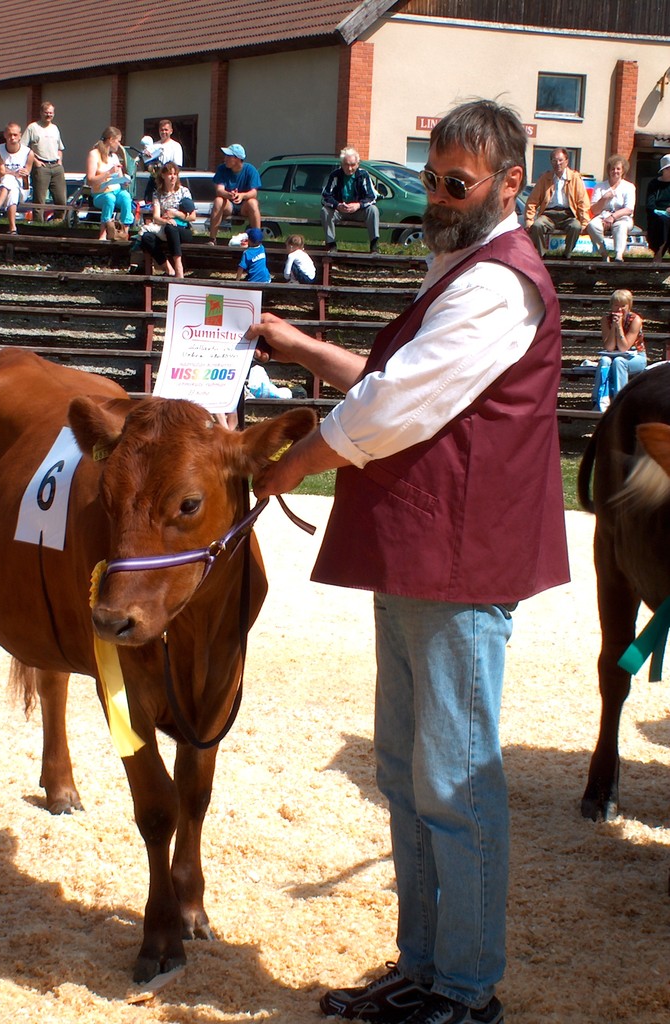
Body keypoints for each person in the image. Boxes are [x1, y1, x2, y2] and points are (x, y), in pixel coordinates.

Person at [246, 98, 569, 1024]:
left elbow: (398, 409)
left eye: (455, 182)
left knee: (455, 780)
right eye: (429, 177)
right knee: (405, 770)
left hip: (459, 562)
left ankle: (464, 990)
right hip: (424, 552)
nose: (435, 195)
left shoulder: (497, 283)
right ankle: (423, 968)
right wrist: (306, 348)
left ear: (511, 182)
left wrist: (298, 460)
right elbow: (394, 385)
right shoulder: (461, 270)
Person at [524, 147, 590, 258]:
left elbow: (582, 202)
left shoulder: (575, 178)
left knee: (576, 226)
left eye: (560, 160)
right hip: (549, 215)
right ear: (551, 162)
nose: (557, 163)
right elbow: (532, 201)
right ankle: (542, 255)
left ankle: (567, 254)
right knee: (537, 225)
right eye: (554, 161)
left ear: (566, 161)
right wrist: (529, 220)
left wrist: (584, 222)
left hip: (568, 215)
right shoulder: (545, 178)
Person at [137, 161, 195, 277]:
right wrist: (166, 220)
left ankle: (178, 266)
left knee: (171, 228)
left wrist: (176, 214)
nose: (173, 177)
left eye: (175, 174)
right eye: (170, 174)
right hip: (164, 228)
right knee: (146, 237)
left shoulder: (184, 192)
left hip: (182, 229)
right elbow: (156, 217)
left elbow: (192, 217)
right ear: (163, 175)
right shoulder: (157, 194)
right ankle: (168, 267)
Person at [591, 289, 646, 412]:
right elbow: (609, 347)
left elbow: (624, 347)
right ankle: (598, 399)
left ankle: (619, 402)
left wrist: (619, 327)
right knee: (604, 360)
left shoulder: (636, 320)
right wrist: (613, 327)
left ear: (629, 306)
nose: (619, 309)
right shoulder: (605, 320)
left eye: (623, 306)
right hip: (613, 355)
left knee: (619, 362)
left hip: (635, 357)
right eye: (616, 305)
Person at [321, 146, 380, 252]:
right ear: (341, 164)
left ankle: (374, 245)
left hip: (358, 211)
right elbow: (325, 196)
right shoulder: (335, 175)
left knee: (373, 210)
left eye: (352, 165)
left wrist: (358, 205)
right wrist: (337, 205)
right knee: (325, 211)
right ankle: (331, 244)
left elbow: (372, 196)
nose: (349, 168)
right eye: (346, 165)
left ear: (358, 164)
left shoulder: (363, 175)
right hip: (340, 210)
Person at [0, 122, 34, 233]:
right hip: (0, 188)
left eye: (15, 135)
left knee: (10, 183)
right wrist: (16, 173)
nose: (12, 138)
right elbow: (1, 171)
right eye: (9, 135)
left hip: (22, 189)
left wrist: (20, 174)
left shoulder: (28, 153)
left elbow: (26, 179)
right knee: (10, 184)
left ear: (20, 135)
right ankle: (12, 228)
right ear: (5, 135)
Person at [86, 127, 135, 242]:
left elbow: (119, 177)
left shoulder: (114, 157)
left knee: (126, 197)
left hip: (116, 190)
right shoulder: (94, 154)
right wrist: (108, 173)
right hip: (100, 193)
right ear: (111, 140)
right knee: (110, 198)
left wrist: (124, 181)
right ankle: (103, 233)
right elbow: (90, 180)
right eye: (118, 141)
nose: (119, 144)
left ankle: (124, 232)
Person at [21, 101, 66, 223]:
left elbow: (60, 147)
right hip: (41, 166)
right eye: (46, 112)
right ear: (41, 113)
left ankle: (58, 224)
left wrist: (60, 160)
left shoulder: (55, 128)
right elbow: (23, 147)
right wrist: (35, 161)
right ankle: (38, 225)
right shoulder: (33, 127)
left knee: (61, 199)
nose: (49, 115)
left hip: (56, 165)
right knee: (39, 200)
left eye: (51, 113)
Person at [586, 155, 636, 262]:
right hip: (603, 217)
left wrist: (613, 217)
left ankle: (618, 255)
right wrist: (604, 199)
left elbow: (629, 209)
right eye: (612, 168)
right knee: (592, 225)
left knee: (620, 226)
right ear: (609, 170)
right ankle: (604, 254)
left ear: (623, 171)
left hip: (622, 217)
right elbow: (594, 210)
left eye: (618, 169)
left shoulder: (629, 187)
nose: (615, 171)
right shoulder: (599, 187)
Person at [209, 144, 261, 244]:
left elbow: (254, 192)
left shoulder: (250, 170)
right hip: (229, 205)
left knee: (253, 203)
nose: (225, 159)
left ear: (237, 158)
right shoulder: (222, 169)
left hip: (244, 206)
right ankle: (212, 239)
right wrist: (229, 195)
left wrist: (242, 196)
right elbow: (219, 190)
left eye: (228, 156)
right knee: (218, 200)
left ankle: (257, 240)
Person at [645, 153, 670, 261]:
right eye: (668, 168)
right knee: (662, 222)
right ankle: (659, 252)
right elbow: (650, 206)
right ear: (663, 170)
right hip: (657, 216)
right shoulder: (654, 184)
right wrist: (664, 211)